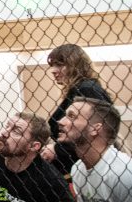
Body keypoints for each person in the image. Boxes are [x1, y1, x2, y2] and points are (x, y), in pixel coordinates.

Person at [41, 44, 111, 179]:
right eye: (53, 65)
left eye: (60, 65)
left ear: (76, 65)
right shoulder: (79, 90)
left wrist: (57, 150)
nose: (54, 71)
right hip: (78, 167)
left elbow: (91, 134)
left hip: (85, 167)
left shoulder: (86, 89)